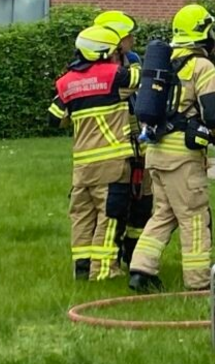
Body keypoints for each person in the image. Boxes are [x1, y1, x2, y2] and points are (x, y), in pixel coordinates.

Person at [129, 4, 215, 293]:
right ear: (203, 32)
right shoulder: (201, 66)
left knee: (164, 214)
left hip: (156, 153)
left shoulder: (165, 63)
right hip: (183, 160)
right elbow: (213, 114)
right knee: (195, 218)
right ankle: (199, 283)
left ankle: (140, 270)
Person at [48, 25, 138, 281]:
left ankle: (82, 268)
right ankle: (104, 270)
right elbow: (138, 78)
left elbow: (54, 118)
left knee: (81, 217)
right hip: (111, 164)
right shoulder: (114, 75)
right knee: (110, 217)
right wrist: (132, 57)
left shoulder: (67, 82)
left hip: (82, 167)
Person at [93, 9, 149, 266]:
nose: (132, 41)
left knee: (143, 201)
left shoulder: (133, 59)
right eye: (128, 37)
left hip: (137, 141)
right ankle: (109, 256)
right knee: (115, 203)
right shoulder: (98, 71)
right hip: (112, 147)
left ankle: (133, 251)